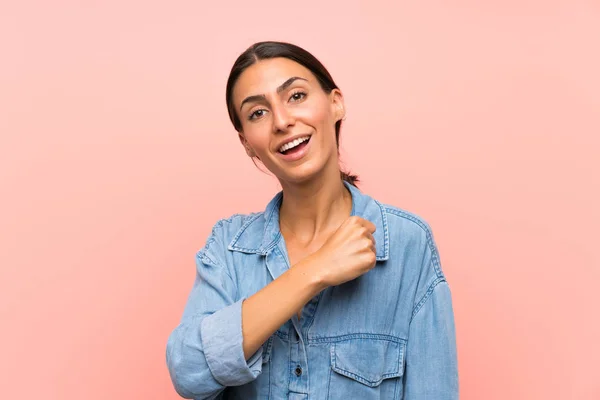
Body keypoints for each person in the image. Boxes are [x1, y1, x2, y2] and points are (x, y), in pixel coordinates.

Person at [166, 41, 458, 400]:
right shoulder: (229, 249)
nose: (283, 121)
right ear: (246, 143)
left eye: (296, 96)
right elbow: (188, 371)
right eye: (258, 113)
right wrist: (314, 271)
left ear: (336, 102)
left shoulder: (405, 243)